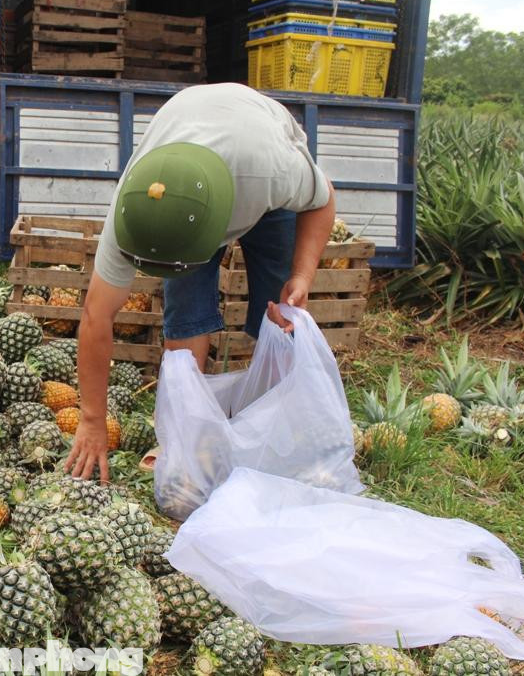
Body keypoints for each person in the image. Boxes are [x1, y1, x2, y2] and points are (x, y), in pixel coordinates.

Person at [64, 83, 336, 482]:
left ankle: (272, 425)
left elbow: (324, 198)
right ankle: (185, 431)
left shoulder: (274, 173)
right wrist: (91, 420)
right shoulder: (135, 206)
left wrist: (302, 275)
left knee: (279, 304)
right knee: (187, 301)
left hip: (256, 151)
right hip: (189, 157)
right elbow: (96, 315)